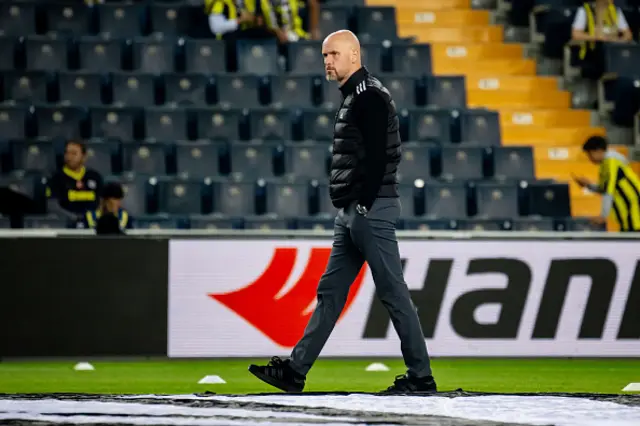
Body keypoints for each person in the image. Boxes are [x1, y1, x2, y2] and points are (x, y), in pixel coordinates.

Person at [248, 30, 437, 394]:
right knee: (330, 292)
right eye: (324, 56)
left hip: (370, 209)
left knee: (393, 293)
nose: (327, 62)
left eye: (333, 54)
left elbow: (381, 157)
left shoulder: (368, 97)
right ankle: (295, 371)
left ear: (354, 54)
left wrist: (364, 203)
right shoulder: (356, 96)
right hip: (352, 212)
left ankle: (421, 377)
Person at [573, 135, 640, 232]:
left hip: (634, 207)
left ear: (599, 151)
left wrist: (603, 216)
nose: (589, 158)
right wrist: (588, 185)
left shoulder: (611, 162)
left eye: (590, 153)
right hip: (625, 210)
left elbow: (608, 191)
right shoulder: (604, 165)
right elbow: (603, 189)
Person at [46, 140, 103, 221]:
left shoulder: (94, 176)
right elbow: (53, 206)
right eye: (67, 153)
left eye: (74, 153)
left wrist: (92, 217)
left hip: (92, 222)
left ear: (84, 156)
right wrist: (74, 218)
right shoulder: (56, 178)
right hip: (67, 223)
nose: (69, 157)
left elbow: (102, 202)